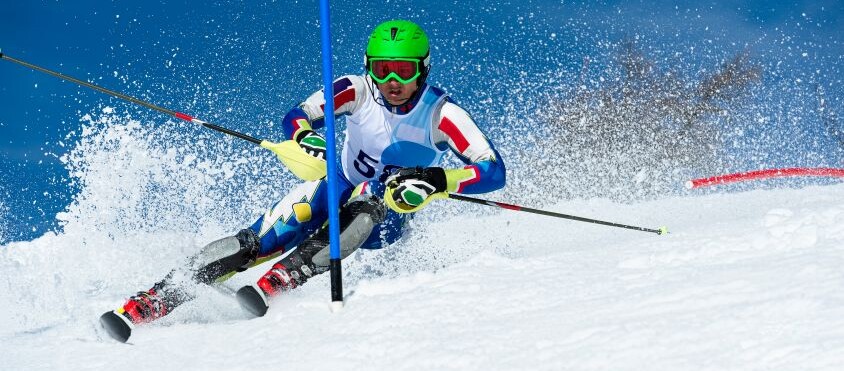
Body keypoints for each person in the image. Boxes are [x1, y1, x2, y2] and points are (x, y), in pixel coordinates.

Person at [101, 19, 506, 337]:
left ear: (424, 69)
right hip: (337, 185)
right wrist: (306, 136)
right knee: (265, 236)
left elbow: (492, 170)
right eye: (383, 70)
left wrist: (438, 179)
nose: (393, 83)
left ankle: (284, 276)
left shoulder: (442, 114)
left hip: (388, 215)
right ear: (370, 68)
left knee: (371, 195)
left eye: (404, 71)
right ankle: (159, 296)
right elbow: (298, 115)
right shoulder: (356, 89)